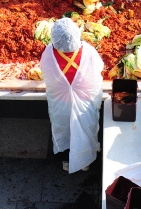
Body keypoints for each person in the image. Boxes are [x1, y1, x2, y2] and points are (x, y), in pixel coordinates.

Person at [41, 18, 104, 173]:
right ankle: (85, 161)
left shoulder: (49, 52)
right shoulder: (88, 51)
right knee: (85, 130)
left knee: (64, 131)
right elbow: (99, 68)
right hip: (85, 101)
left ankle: (66, 161)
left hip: (60, 103)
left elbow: (45, 72)